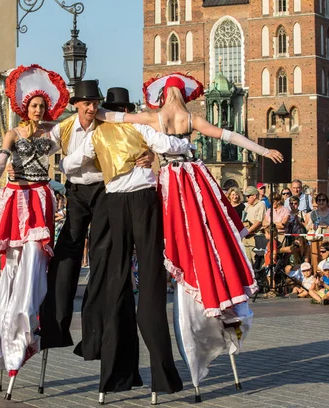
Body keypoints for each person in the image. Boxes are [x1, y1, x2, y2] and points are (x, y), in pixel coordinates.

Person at [98, 72, 282, 391]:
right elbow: (228, 135)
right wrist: (261, 151)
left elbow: (114, 116)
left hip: (171, 182)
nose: (173, 96)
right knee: (204, 237)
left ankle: (199, 283)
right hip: (190, 180)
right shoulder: (189, 118)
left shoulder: (155, 117)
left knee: (193, 239)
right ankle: (208, 287)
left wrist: (93, 111)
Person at [62, 81, 194, 396]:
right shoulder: (139, 129)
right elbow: (174, 147)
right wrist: (180, 145)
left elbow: (68, 165)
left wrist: (96, 162)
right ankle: (161, 377)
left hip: (116, 204)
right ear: (128, 110)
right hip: (143, 201)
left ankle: (117, 376)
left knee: (116, 284)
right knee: (150, 284)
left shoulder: (98, 134)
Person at [0, 65, 68, 387]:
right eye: (34, 105)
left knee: (33, 263)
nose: (38, 110)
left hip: (40, 198)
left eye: (42, 106)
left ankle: (24, 327)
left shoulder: (51, 135)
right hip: (16, 199)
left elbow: (65, 161)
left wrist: (66, 187)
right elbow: (1, 160)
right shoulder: (13, 133)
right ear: (24, 107)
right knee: (12, 265)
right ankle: (5, 333)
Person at [244, 185, 267, 263]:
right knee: (247, 261)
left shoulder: (261, 205)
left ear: (254, 196)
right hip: (246, 237)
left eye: (248, 196)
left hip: (255, 237)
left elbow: (258, 222)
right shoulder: (247, 206)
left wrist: (246, 232)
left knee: (255, 261)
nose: (246, 198)